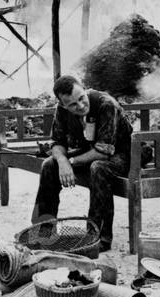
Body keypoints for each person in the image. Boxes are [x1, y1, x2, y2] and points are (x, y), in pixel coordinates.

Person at [31, 75, 136, 252]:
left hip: (123, 153)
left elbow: (103, 152)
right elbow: (57, 143)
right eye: (72, 104)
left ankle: (98, 237)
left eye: (81, 98)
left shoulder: (106, 104)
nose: (80, 106)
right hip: (90, 149)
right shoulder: (61, 109)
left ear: (84, 88)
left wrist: (71, 161)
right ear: (64, 105)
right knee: (49, 165)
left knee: (98, 168)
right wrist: (63, 161)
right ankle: (44, 233)